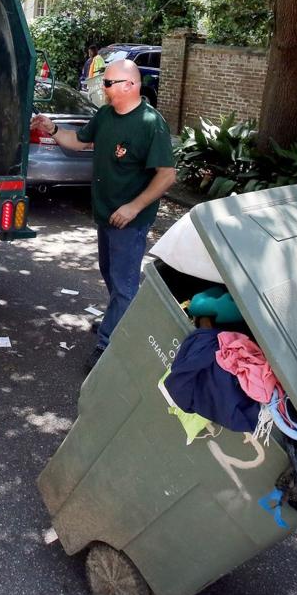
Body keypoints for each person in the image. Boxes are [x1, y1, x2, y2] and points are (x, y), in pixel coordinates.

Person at [30, 58, 176, 371]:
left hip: (130, 220)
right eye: (105, 82)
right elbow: (77, 143)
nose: (104, 88)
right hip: (105, 214)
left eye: (109, 83)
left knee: (124, 285)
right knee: (110, 274)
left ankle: (108, 347)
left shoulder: (150, 123)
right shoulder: (106, 115)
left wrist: (134, 206)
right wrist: (52, 128)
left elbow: (167, 175)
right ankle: (120, 318)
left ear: (130, 85)